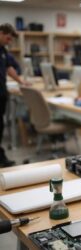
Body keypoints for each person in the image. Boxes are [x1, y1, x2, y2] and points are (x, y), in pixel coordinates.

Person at [0, 23, 29, 167]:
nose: (9, 41)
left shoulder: (3, 51)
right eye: (7, 38)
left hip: (1, 93)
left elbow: (9, 68)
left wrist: (21, 82)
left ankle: (1, 156)